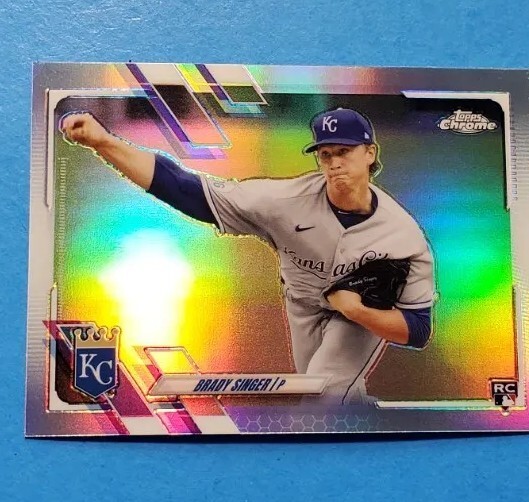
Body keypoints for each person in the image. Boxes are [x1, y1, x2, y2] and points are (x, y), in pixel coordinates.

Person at [61, 107, 435, 405]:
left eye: (345, 151)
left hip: (359, 314)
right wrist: (103, 141)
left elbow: (418, 330)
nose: (335, 162)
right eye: (326, 154)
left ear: (370, 153)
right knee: (327, 394)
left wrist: (359, 312)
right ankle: (361, 419)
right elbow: (186, 189)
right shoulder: (283, 202)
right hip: (303, 304)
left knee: (323, 393)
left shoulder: (402, 236)